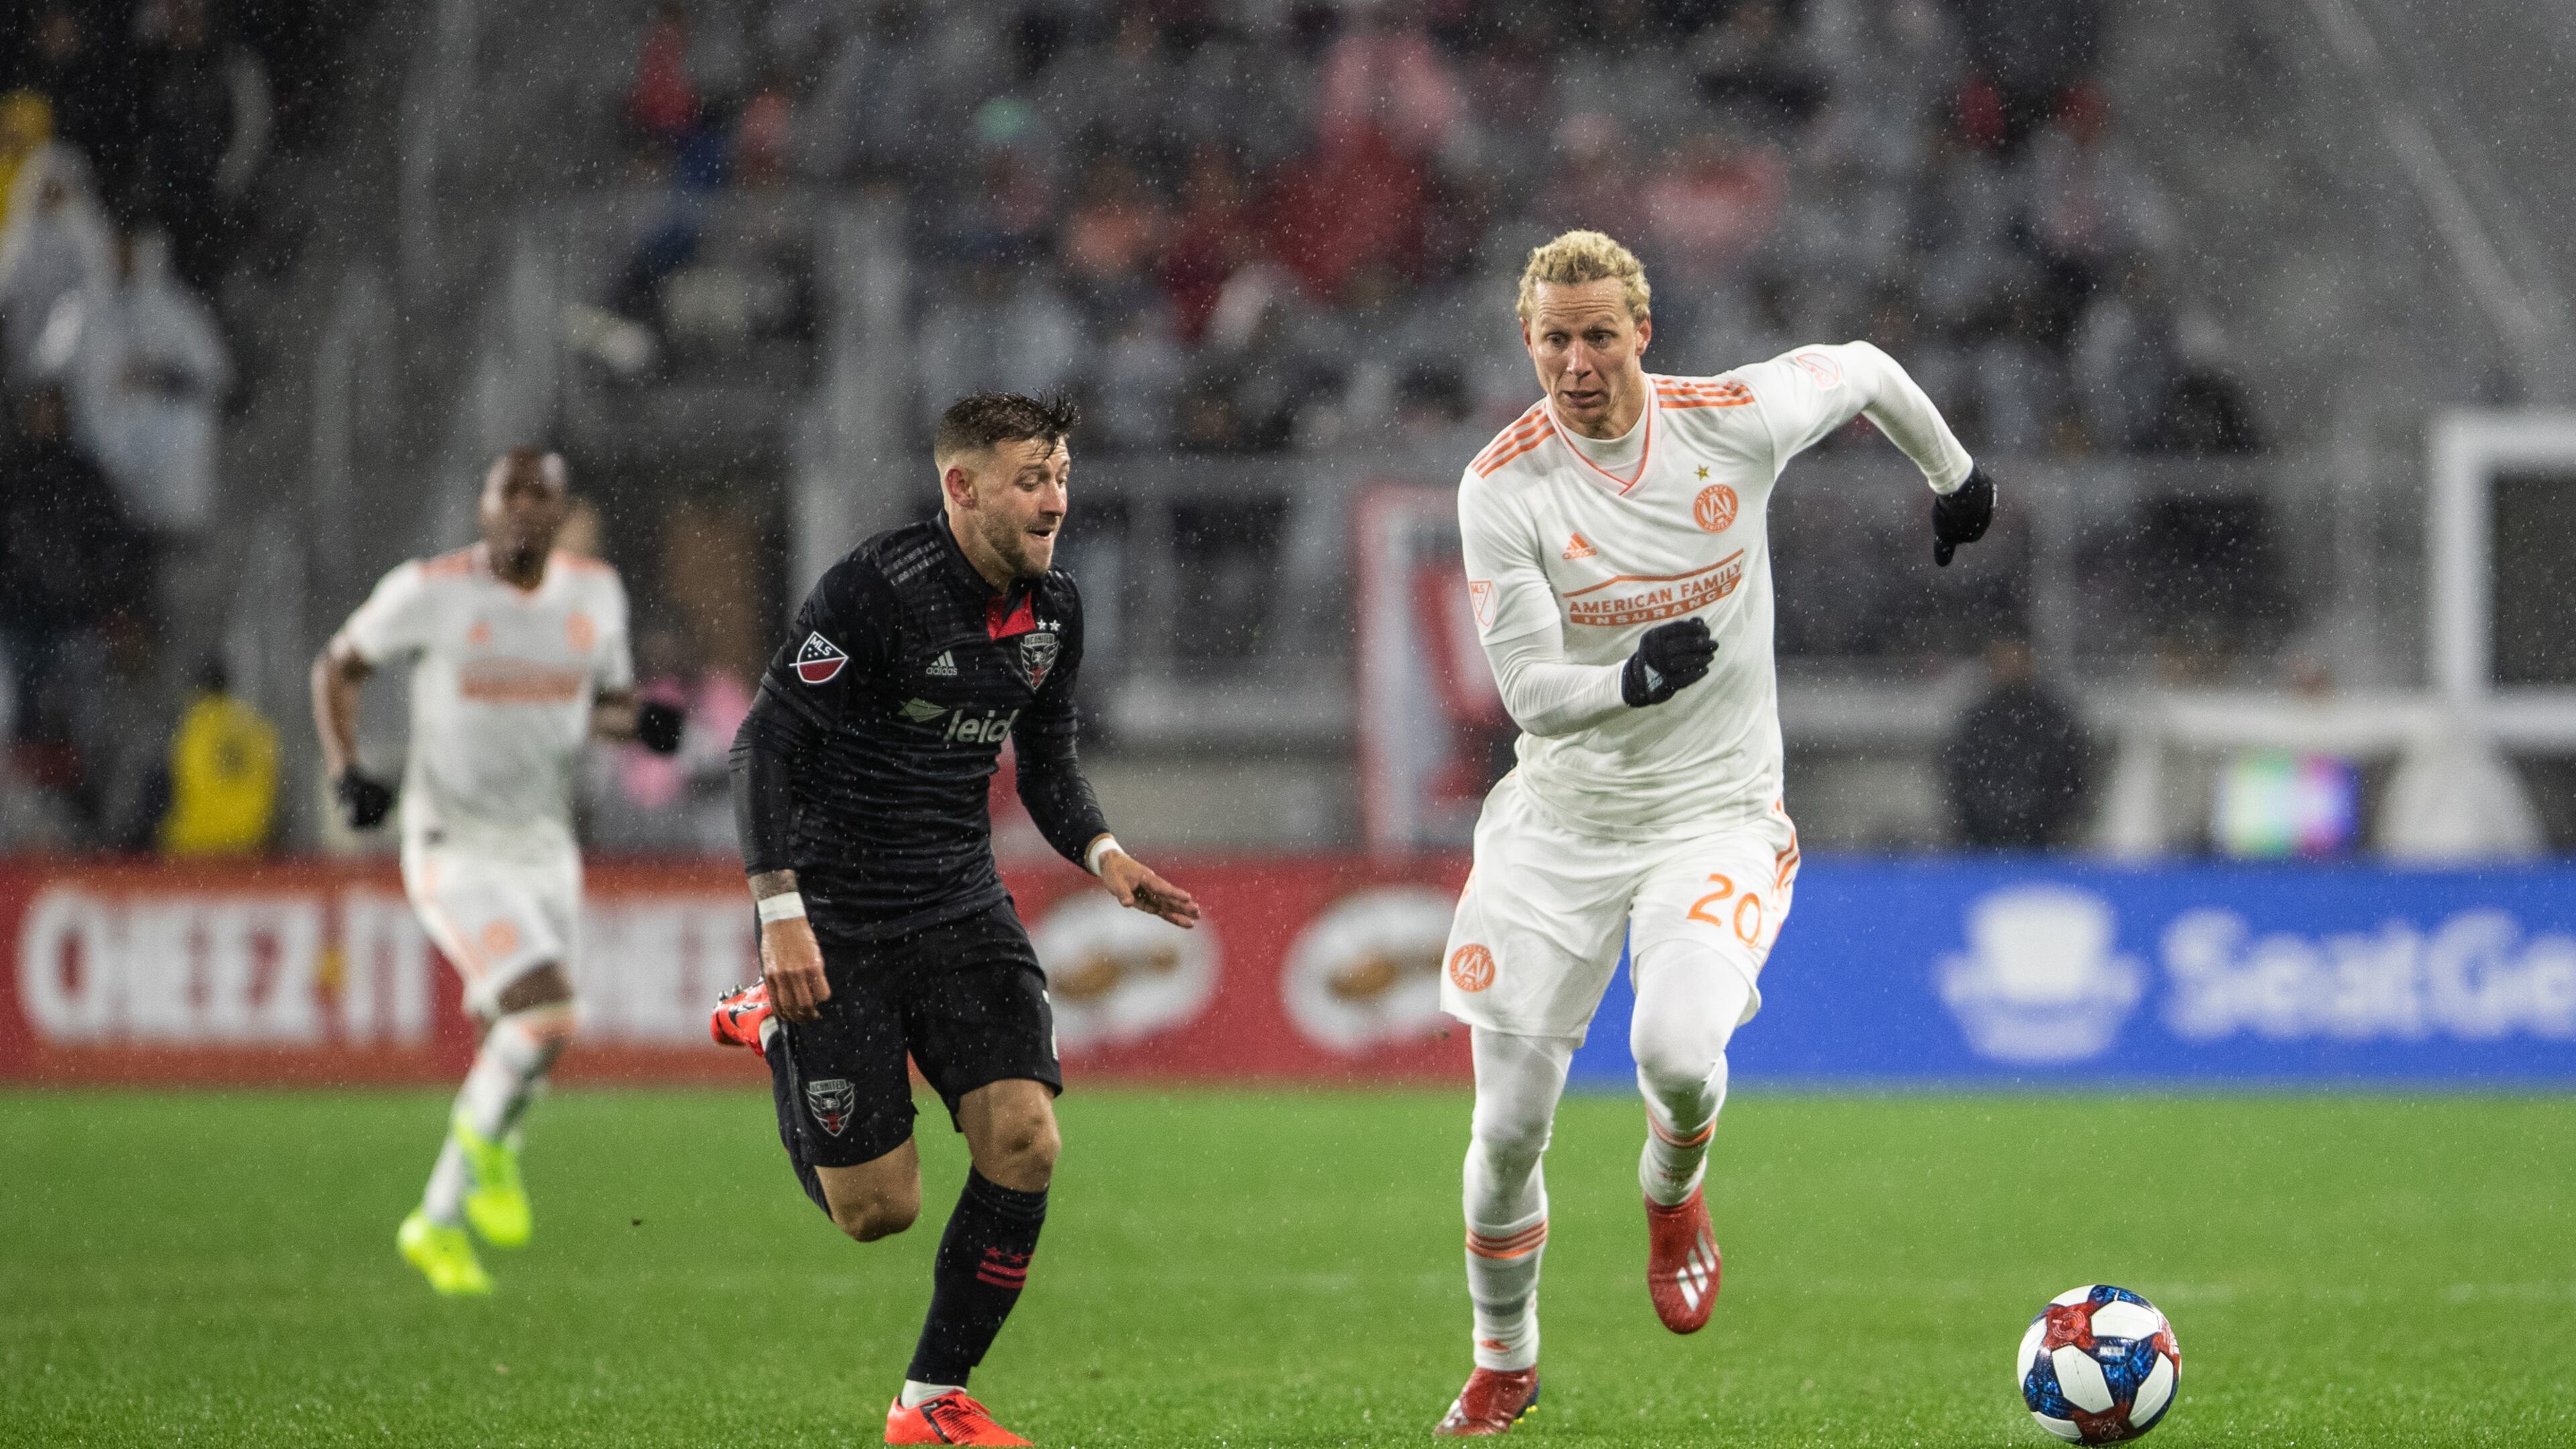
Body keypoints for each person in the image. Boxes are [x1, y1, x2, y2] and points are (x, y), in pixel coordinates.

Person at [1433, 231, 1993, 1434]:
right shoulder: (1502, 485)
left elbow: (1862, 368)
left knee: (1680, 1056)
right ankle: (1504, 1359)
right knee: (1507, 1130)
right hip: (1562, 828)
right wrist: (1627, 681)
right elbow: (1528, 691)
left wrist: (1955, 475)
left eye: (1597, 336)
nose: (1577, 364)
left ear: (1643, 331)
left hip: (1716, 815)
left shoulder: (1729, 419)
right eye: (1553, 341)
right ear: (1527, 345)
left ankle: (1673, 1195)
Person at [712, 392, 1197, 1448]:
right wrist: (780, 911)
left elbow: (1050, 766)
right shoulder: (874, 592)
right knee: (877, 1212)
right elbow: (763, 746)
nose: (1055, 500)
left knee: (1025, 1141)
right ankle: (780, 1027)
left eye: (1062, 477)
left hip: (963, 908)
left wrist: (1106, 856)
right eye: (1032, 479)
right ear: (961, 487)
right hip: (837, 915)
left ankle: (931, 1400)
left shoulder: (1057, 611)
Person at [309, 449, 685, 1296]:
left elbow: (595, 703)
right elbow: (337, 665)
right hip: (453, 846)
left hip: (546, 848)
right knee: (547, 1011)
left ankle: (437, 1221)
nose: (521, 508)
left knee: (513, 1044)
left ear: (561, 512)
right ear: (482, 506)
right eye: (506, 492)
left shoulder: (595, 594)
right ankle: (491, 1148)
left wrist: (644, 724)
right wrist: (346, 769)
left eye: (538, 495)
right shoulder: (431, 591)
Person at [1944, 636, 2087, 849]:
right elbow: (1959, 773)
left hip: (2042, 836)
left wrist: (2050, 817)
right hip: (1983, 835)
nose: (2010, 667)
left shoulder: (2050, 717)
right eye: (2004, 660)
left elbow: (2069, 773)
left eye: (2017, 659)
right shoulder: (1978, 719)